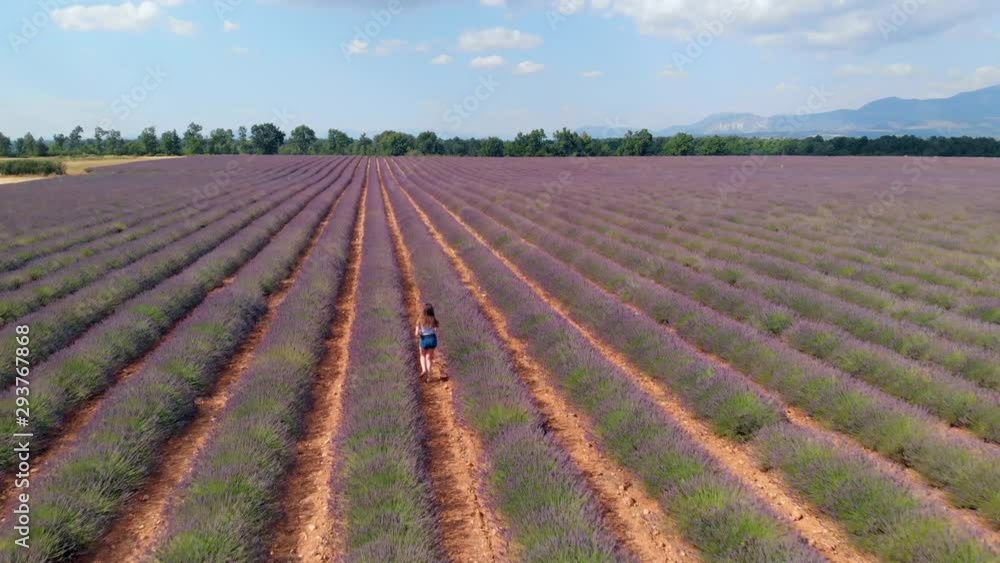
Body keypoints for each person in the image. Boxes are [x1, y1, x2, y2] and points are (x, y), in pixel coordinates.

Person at [415, 303, 440, 379]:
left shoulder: (420, 320)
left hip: (424, 339)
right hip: (432, 339)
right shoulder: (433, 319)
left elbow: (416, 333)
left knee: (422, 356)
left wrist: (420, 334)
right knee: (429, 358)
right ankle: (429, 377)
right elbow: (436, 330)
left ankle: (423, 370)